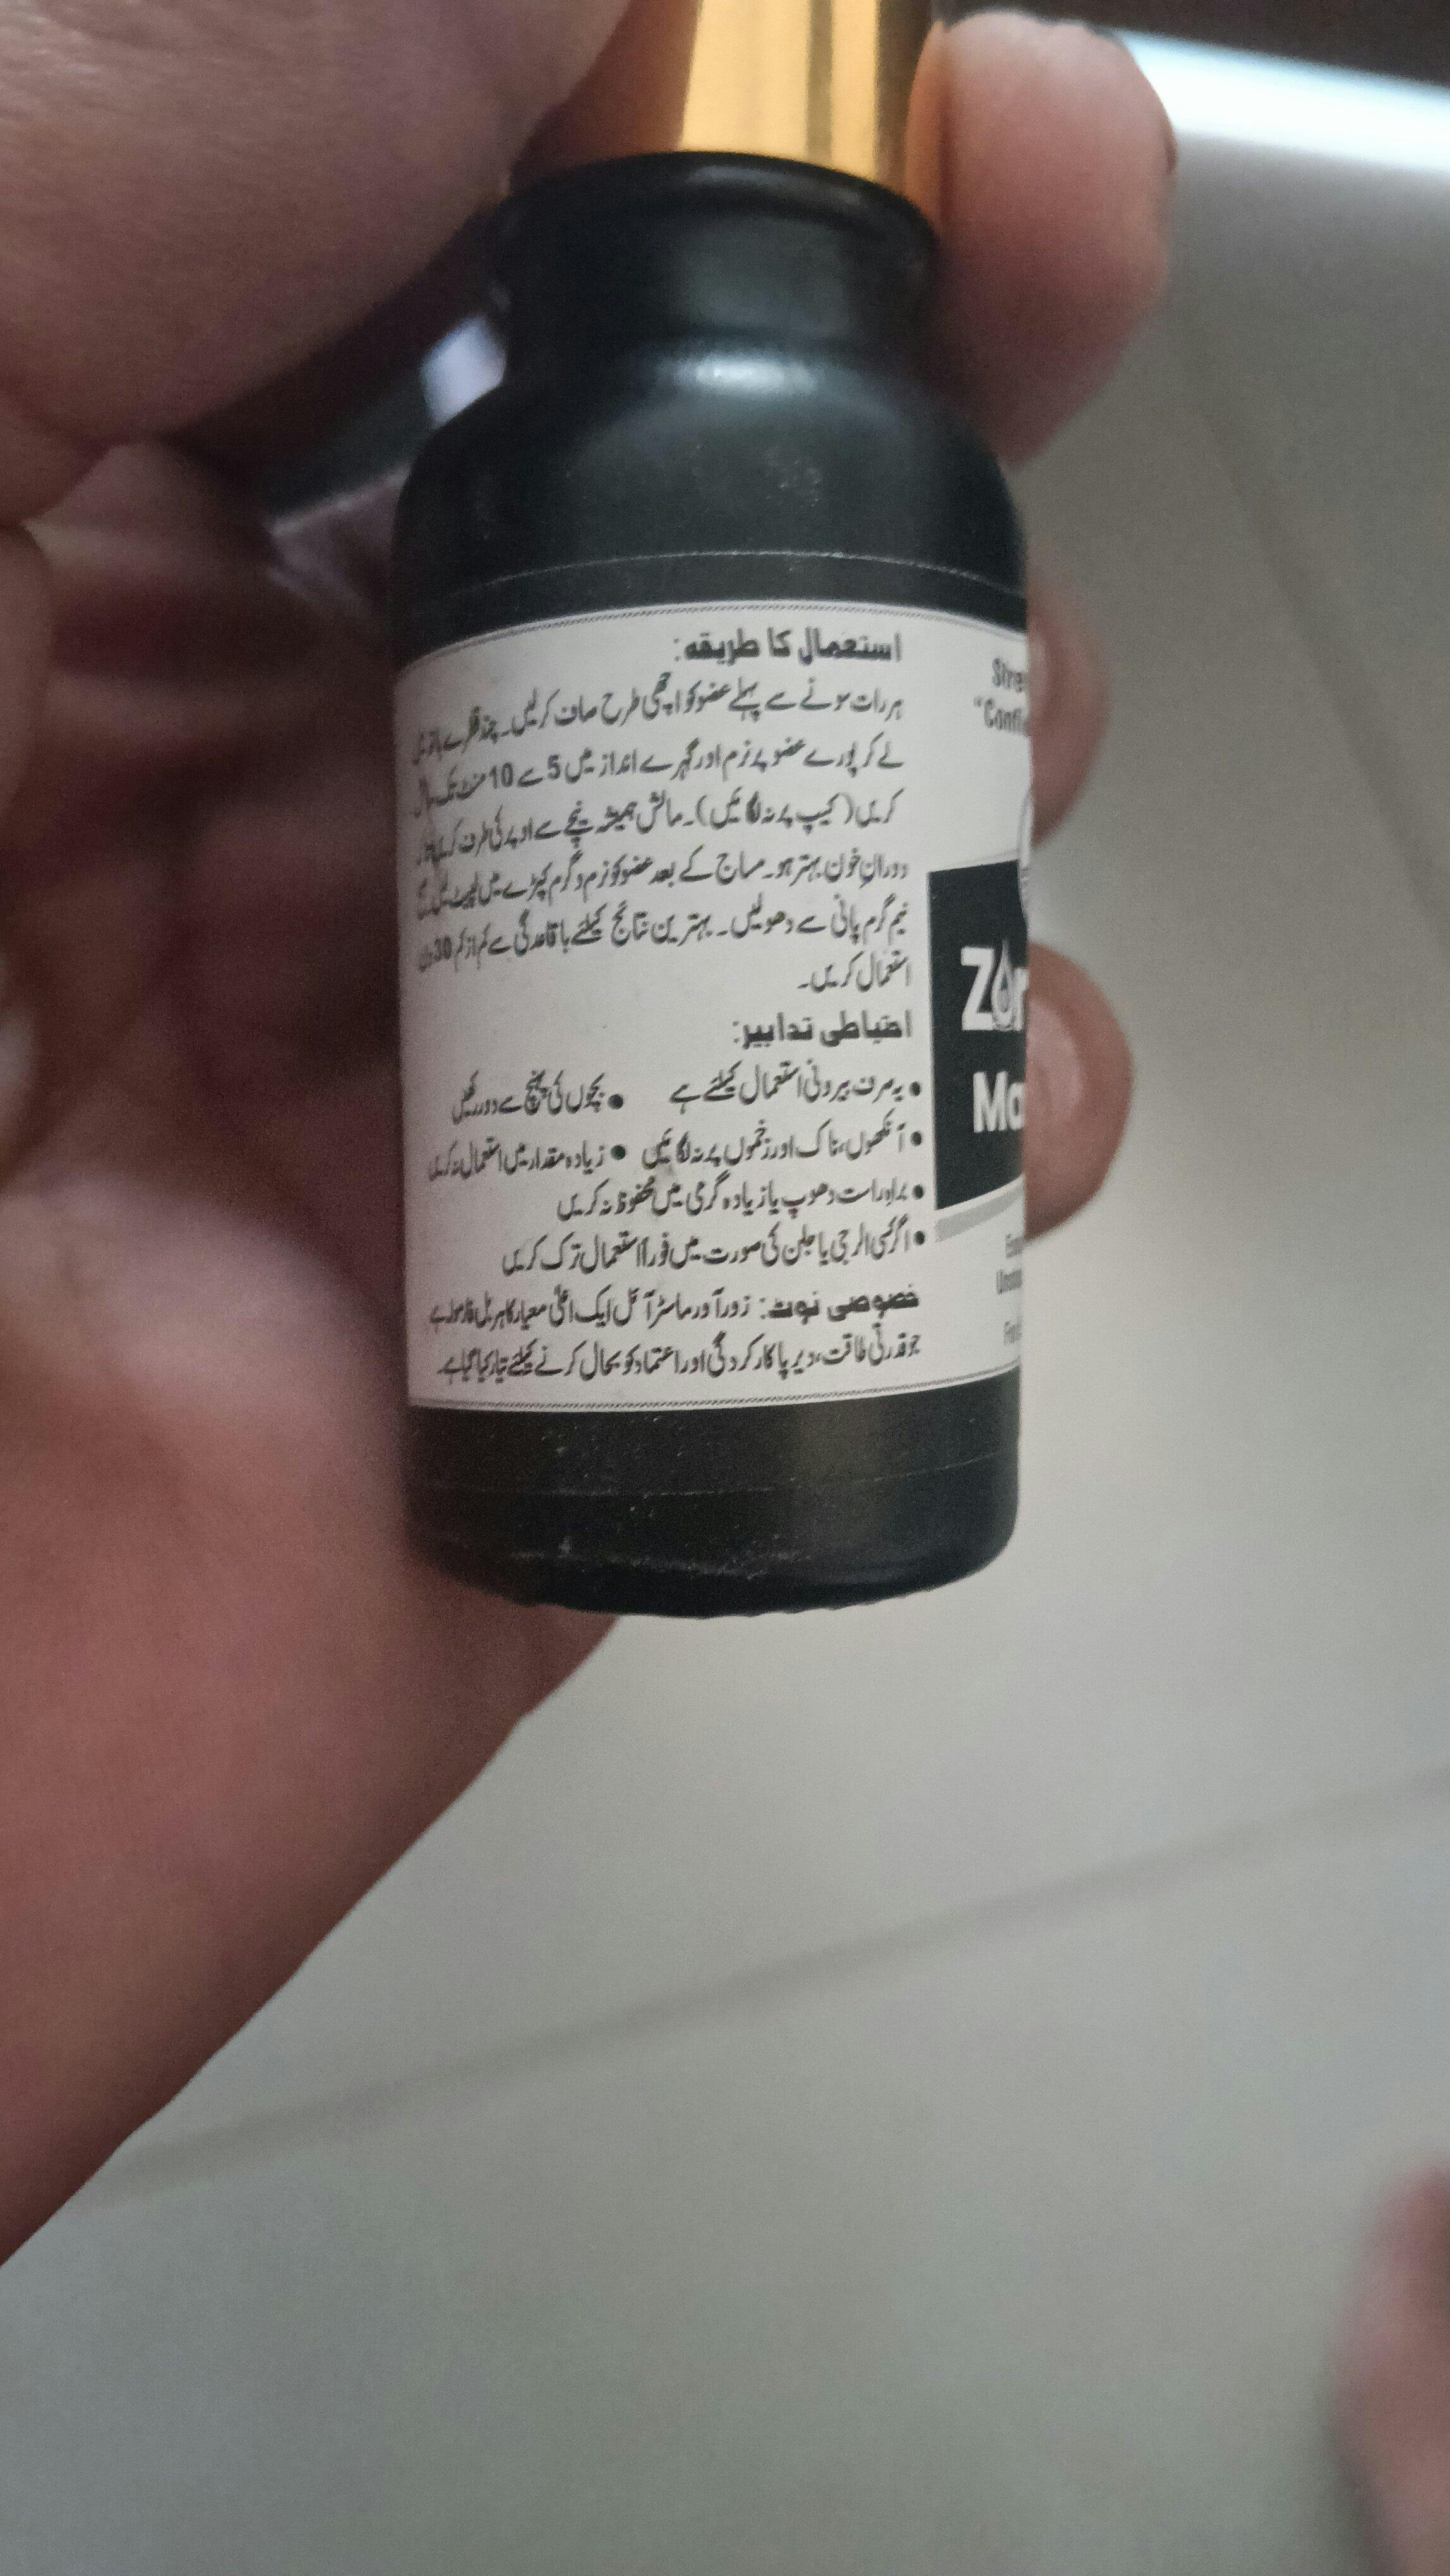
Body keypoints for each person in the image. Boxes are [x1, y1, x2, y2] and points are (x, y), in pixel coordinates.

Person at [0, 1, 1433, 2561]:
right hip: (452, 1314)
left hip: (593, 1310)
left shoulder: (728, 473)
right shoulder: (524, 470)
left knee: (982, 1016)